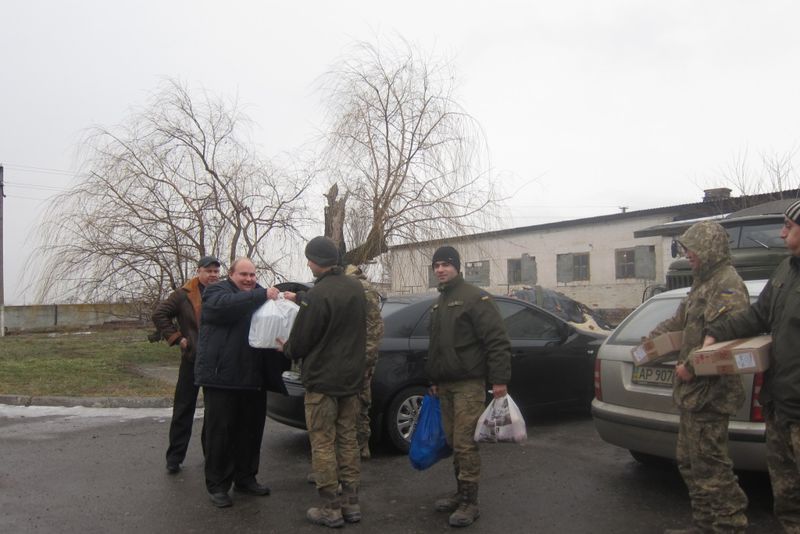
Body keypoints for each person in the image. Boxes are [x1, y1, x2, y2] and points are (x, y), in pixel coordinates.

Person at [645, 222, 750, 534]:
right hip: (693, 394)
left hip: (712, 394)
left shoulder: (727, 284)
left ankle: (729, 527)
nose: (686, 254)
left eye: (691, 248)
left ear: (708, 249)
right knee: (690, 463)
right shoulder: (702, 283)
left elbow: (728, 335)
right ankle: (705, 525)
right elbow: (679, 322)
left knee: (712, 467)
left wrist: (690, 365)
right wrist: (650, 343)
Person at [703, 199, 800, 533]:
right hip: (780, 407)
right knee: (788, 497)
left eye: (789, 226)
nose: (782, 232)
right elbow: (758, 316)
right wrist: (716, 332)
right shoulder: (787, 269)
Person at [277, 236, 367, 528]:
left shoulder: (316, 295)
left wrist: (286, 348)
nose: (307, 264)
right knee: (348, 441)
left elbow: (301, 341)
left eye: (309, 259)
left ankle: (330, 509)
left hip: (322, 383)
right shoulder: (356, 288)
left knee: (323, 443)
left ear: (318, 262)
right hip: (351, 380)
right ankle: (351, 505)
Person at [426, 245, 511, 528]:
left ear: (457, 267)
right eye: (437, 265)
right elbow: (436, 347)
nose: (440, 269)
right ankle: (460, 493)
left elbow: (496, 340)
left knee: (465, 443)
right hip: (446, 385)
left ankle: (470, 503)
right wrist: (434, 380)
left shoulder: (475, 298)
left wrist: (499, 380)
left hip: (469, 384)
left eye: (446, 264)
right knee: (453, 441)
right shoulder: (439, 303)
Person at [194, 257, 288, 508]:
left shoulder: (260, 294)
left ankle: (246, 478)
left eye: (252, 275)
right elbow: (223, 308)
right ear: (231, 275)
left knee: (250, 432)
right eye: (243, 275)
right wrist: (262, 296)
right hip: (222, 378)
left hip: (253, 378)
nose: (249, 279)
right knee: (220, 435)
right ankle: (217, 485)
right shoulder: (217, 291)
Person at [151, 255, 220, 474]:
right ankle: (174, 458)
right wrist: (177, 338)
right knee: (183, 409)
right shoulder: (183, 295)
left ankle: (211, 456)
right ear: (199, 271)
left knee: (214, 413)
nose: (213, 275)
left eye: (216, 272)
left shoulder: (222, 291)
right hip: (192, 358)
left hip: (215, 361)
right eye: (208, 271)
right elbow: (160, 314)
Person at [344, 264, 384, 460]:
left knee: (358, 405)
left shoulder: (363, 290)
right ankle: (360, 448)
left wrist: (364, 361)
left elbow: (374, 328)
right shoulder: (359, 287)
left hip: (360, 359)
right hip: (358, 357)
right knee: (360, 404)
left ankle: (359, 448)